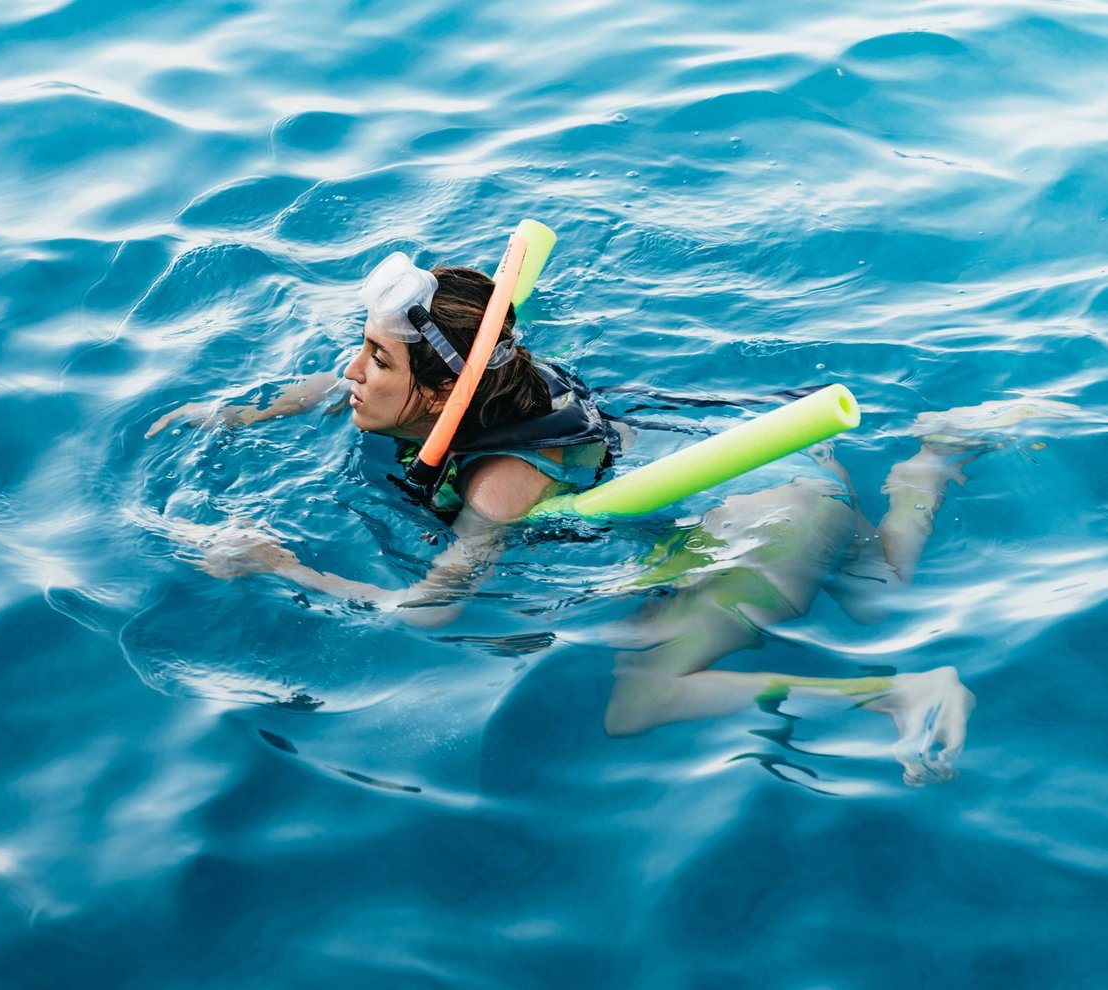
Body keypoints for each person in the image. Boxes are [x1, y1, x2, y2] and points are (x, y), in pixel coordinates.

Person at [146, 251, 1071, 785]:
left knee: (642, 702)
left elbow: (429, 612)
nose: (349, 372)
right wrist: (243, 414)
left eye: (373, 361)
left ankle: (895, 689)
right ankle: (933, 456)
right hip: (772, 479)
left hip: (767, 513)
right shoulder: (476, 391)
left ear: (435, 393)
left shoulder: (499, 480)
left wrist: (277, 563)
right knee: (871, 591)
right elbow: (347, 384)